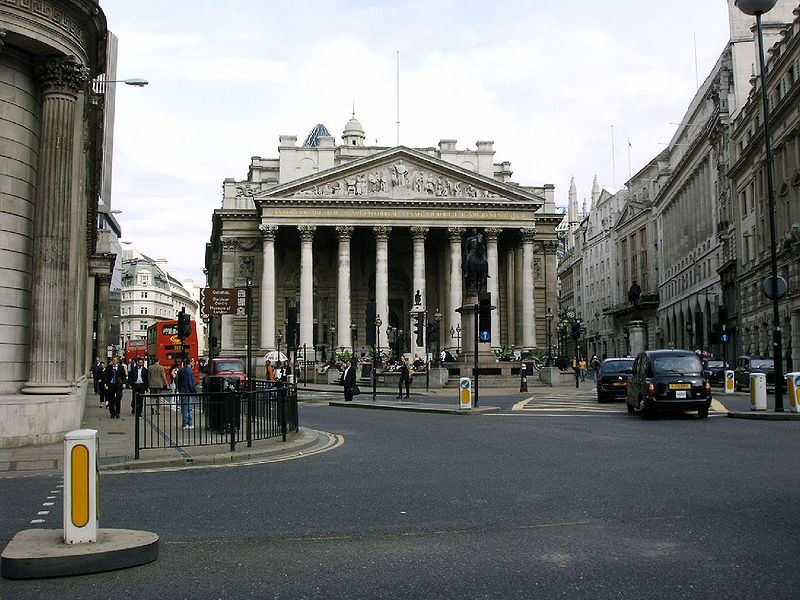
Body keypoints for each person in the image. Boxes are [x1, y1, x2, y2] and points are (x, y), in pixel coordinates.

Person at [177, 357, 197, 429]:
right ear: (190, 362)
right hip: (187, 392)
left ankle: (185, 423)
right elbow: (191, 384)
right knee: (188, 409)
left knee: (184, 408)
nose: (194, 363)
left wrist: (179, 389)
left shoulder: (182, 370)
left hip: (182, 391)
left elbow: (178, 381)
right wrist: (195, 392)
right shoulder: (189, 371)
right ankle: (188, 424)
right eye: (193, 361)